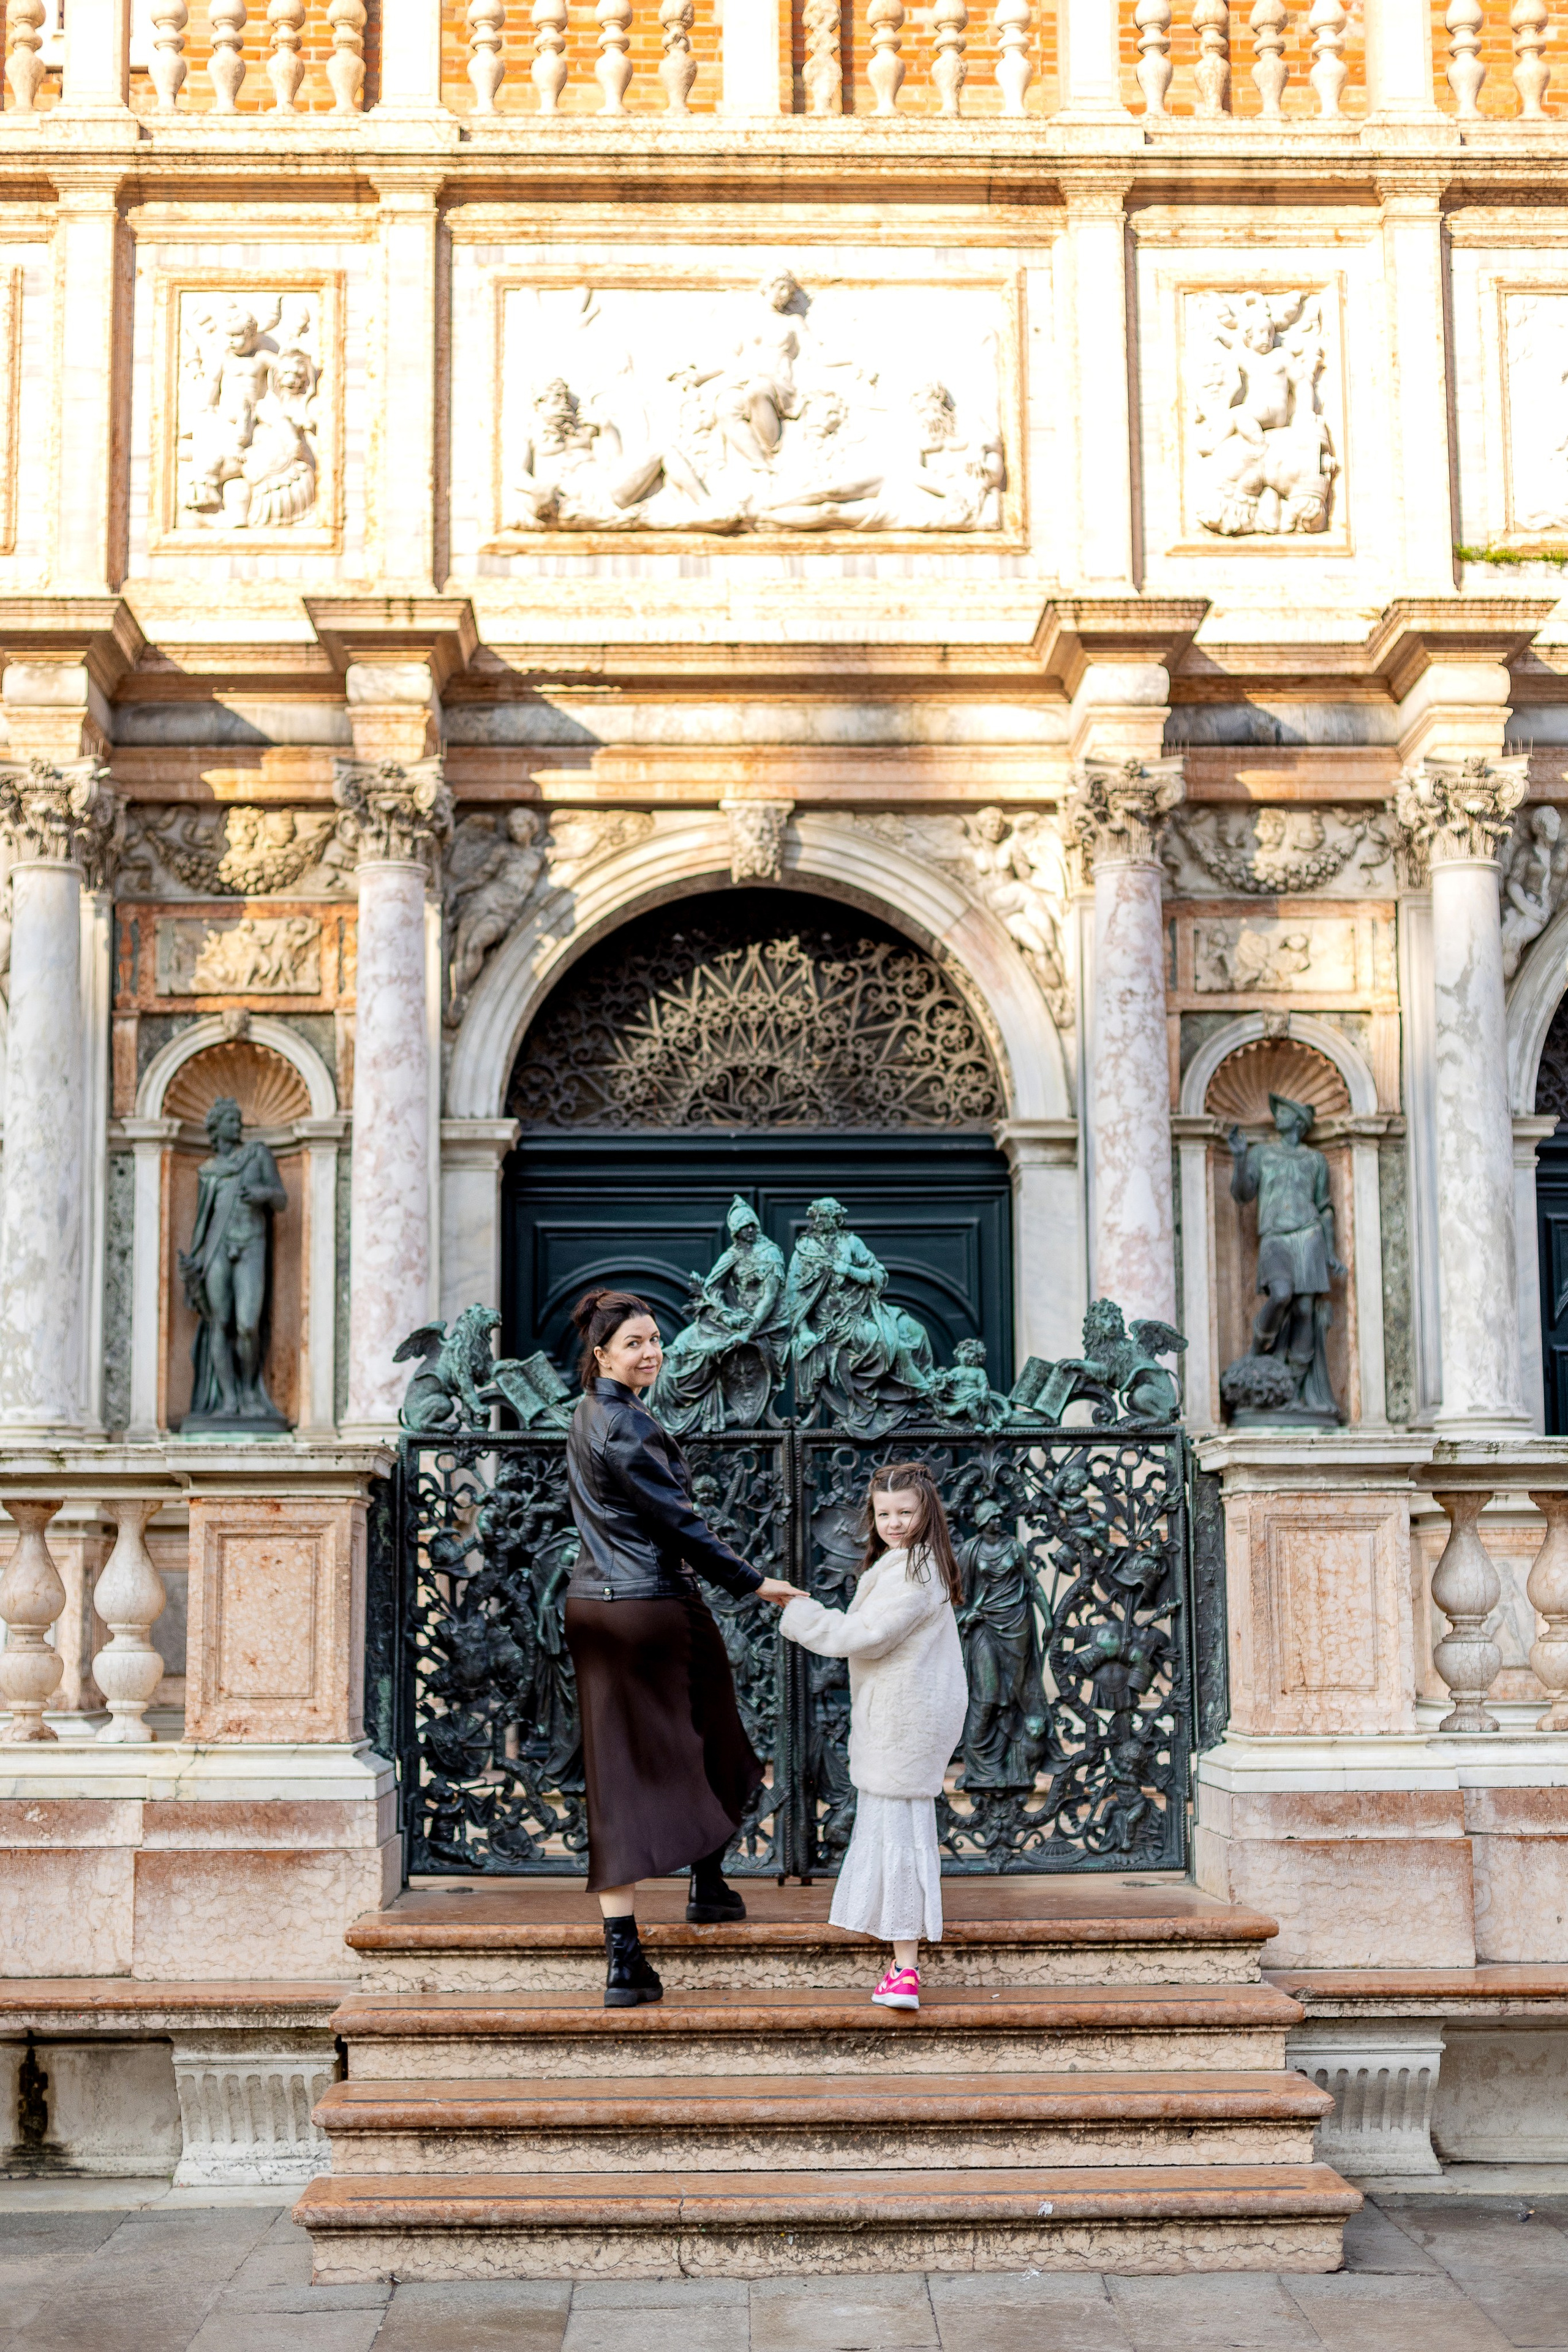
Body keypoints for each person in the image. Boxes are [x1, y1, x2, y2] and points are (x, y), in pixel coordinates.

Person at [562, 1289, 804, 2009]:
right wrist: (754, 1582)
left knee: (616, 1774)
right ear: (601, 1354)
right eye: (635, 1342)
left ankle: (630, 1958)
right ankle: (701, 1885)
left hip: (592, 1606)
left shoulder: (586, 1417)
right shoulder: (628, 1427)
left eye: (656, 1340)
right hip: (653, 1604)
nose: (652, 1352)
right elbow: (678, 1525)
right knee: (720, 1740)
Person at [778, 1461, 968, 2012]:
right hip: (902, 1723)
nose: (893, 1522)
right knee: (900, 1839)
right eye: (884, 1513)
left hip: (901, 1725)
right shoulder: (907, 1566)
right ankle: (901, 1965)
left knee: (900, 1843)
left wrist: (799, 1611)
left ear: (926, 1513)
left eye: (905, 1512)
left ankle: (906, 1968)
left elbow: (866, 1635)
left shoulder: (913, 1571)